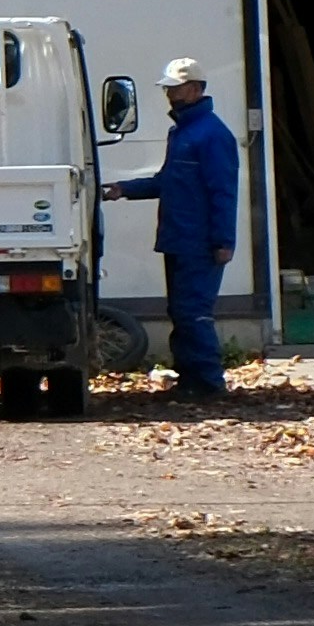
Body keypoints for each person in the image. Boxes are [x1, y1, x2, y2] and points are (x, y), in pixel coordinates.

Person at [110, 56, 246, 398]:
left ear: (197, 88)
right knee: (181, 312)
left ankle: (209, 383)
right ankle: (190, 381)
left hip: (199, 242)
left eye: (176, 88)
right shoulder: (183, 132)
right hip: (178, 239)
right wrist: (124, 189)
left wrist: (223, 240)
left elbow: (223, 192)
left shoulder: (211, 135)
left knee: (193, 312)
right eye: (168, 88)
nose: (170, 94)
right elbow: (167, 182)